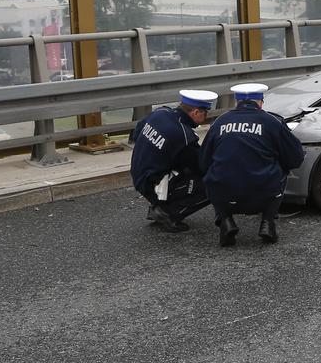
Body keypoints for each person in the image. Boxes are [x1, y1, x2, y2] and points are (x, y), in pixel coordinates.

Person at [201, 82, 305, 247]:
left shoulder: (220, 122)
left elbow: (204, 160)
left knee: (214, 175)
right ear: (261, 102)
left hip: (224, 194)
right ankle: (267, 223)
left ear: (237, 102)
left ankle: (225, 221)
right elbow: (295, 157)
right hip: (263, 192)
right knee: (282, 169)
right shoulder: (272, 121)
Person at [129, 88, 217, 232]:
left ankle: (159, 204)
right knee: (213, 181)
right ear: (196, 112)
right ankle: (168, 212)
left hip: (138, 172)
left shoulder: (160, 113)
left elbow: (136, 133)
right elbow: (201, 166)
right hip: (153, 184)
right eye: (205, 112)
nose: (206, 116)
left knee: (183, 167)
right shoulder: (183, 135)